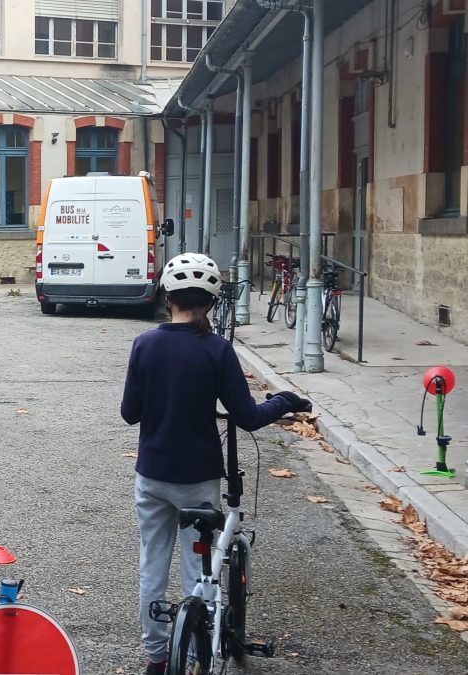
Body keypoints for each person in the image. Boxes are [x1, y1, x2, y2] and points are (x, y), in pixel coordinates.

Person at [120, 253, 312, 675]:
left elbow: (130, 413)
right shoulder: (217, 349)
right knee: (199, 567)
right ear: (210, 303)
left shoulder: (145, 344)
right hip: (197, 476)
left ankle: (156, 656)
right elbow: (247, 416)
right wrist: (285, 401)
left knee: (152, 562)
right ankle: (195, 655)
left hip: (152, 474)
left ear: (166, 297)